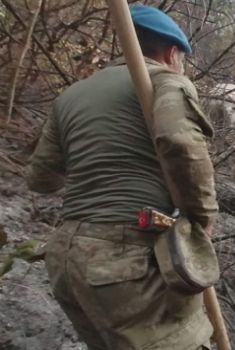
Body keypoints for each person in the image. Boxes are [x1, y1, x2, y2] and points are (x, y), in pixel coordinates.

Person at [24, 5, 217, 350]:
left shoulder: (69, 96)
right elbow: (180, 142)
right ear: (172, 53)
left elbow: (41, 179)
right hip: (125, 263)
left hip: (67, 260)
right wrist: (202, 222)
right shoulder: (165, 80)